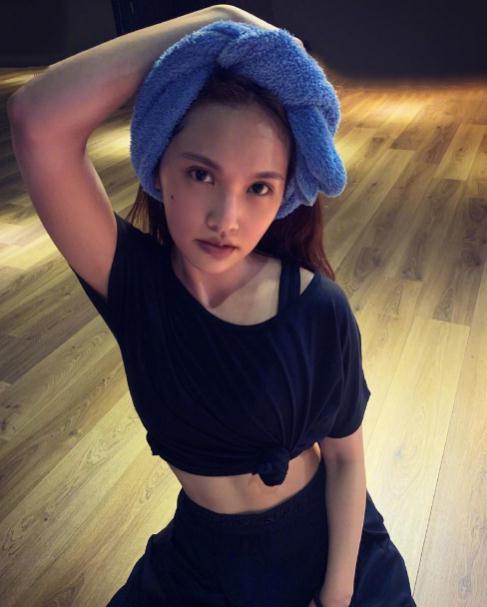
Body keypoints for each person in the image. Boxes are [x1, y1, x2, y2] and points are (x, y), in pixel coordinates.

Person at [7, 4, 417, 606]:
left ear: (283, 195)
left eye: (259, 188)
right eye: (202, 175)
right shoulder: (135, 285)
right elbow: (37, 119)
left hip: (331, 553)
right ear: (160, 167)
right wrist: (217, 24)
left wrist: (336, 595)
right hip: (201, 565)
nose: (227, 219)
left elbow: (346, 463)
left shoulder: (318, 309)